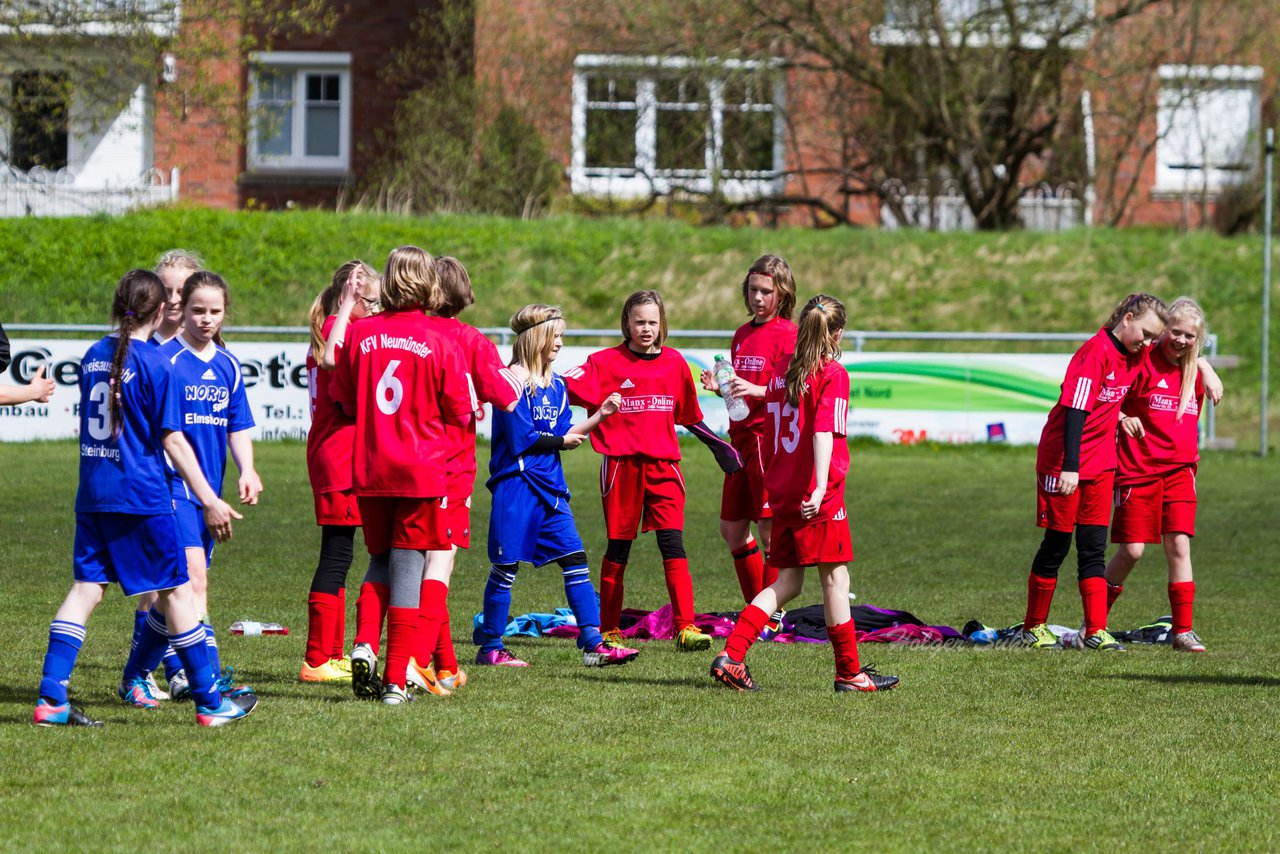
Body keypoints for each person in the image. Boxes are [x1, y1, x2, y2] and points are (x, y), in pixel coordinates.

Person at [33, 269, 255, 727]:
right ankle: (211, 704)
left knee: (86, 589)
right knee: (176, 591)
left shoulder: (95, 354)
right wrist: (208, 498)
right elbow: (173, 441)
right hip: (142, 497)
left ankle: (51, 699)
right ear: (159, 312)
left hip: (93, 493)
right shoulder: (157, 364)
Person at [711, 295, 898, 693]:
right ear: (838, 333)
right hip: (816, 494)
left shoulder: (783, 369)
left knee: (789, 584)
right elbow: (821, 432)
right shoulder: (832, 373)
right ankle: (849, 672)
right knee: (835, 579)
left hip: (783, 489)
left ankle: (732, 655)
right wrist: (818, 486)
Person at [333, 245, 476, 705]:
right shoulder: (441, 339)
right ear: (428, 284)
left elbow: (345, 397)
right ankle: (396, 680)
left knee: (378, 562)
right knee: (410, 571)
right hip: (420, 472)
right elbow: (459, 410)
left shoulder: (361, 333)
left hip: (371, 467)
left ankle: (363, 645)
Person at [563, 289, 742, 652]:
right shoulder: (603, 362)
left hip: (664, 466)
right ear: (626, 323)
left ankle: (686, 627)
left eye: (653, 322)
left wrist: (719, 446)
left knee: (673, 543)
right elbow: (561, 386)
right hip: (621, 467)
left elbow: (690, 416)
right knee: (618, 548)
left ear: (663, 325)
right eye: (639, 321)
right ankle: (610, 629)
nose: (646, 329)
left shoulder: (675, 363)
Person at [477, 304, 640, 667]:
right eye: (557, 336)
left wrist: (600, 417)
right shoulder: (511, 381)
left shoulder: (558, 385)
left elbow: (566, 433)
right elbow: (524, 437)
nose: (561, 344)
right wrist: (560, 442)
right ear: (537, 338)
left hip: (550, 486)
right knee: (505, 568)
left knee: (576, 559)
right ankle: (490, 647)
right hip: (517, 484)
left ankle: (592, 643)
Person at [1015, 293, 1169, 652]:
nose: (1148, 344)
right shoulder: (1095, 352)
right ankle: (1032, 627)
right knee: (1056, 544)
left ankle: (1095, 630)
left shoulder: (1136, 353)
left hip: (1102, 463)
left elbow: (1110, 398)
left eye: (1152, 339)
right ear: (1127, 318)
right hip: (1064, 461)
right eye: (1145, 334)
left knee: (1094, 547)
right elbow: (1075, 411)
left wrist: (1121, 415)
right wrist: (1070, 467)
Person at [406, 257, 521, 692]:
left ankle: (447, 664)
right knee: (441, 559)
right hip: (449, 465)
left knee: (412, 561)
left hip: (402, 459)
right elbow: (508, 397)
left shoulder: (408, 331)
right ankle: (414, 660)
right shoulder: (469, 339)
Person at [151, 271, 262, 702]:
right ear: (182, 310)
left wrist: (247, 470)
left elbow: (237, 426)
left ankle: (143, 672)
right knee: (193, 580)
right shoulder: (165, 362)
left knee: (179, 589)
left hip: (209, 492)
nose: (206, 319)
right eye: (198, 310)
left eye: (215, 311)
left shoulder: (228, 364)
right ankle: (201, 676)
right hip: (172, 487)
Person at [1105, 297, 1222, 652]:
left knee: (1179, 545)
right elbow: (1107, 401)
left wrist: (1204, 366)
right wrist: (1122, 418)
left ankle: (1182, 631)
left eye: (1190, 336)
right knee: (1133, 551)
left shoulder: (1193, 371)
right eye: (1176, 331)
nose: (1182, 340)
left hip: (1181, 472)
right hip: (1138, 471)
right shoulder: (1141, 362)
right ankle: (1093, 622)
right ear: (1163, 330)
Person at [698, 255, 798, 617]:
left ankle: (771, 614)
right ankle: (757, 608)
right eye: (753, 290)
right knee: (732, 529)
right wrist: (720, 388)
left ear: (782, 294)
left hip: (767, 441)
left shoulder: (790, 335)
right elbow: (740, 391)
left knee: (769, 530)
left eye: (766, 291)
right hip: (738, 439)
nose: (758, 297)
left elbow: (794, 389)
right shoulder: (741, 335)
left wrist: (756, 391)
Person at [300, 260, 381, 683]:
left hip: (334, 452)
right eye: (374, 300)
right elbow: (347, 403)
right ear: (354, 297)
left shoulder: (334, 327)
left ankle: (331, 653)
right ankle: (317, 658)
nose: (379, 307)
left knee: (342, 553)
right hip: (340, 455)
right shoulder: (341, 329)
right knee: (335, 554)